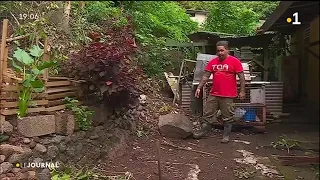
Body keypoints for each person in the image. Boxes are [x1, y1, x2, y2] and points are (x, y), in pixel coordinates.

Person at [193, 41, 245, 143]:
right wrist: (199, 87)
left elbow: (241, 77)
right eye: (218, 51)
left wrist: (242, 91)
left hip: (228, 95)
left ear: (227, 50)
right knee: (207, 113)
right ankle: (202, 132)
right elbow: (205, 76)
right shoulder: (213, 62)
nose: (220, 53)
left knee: (227, 116)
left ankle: (226, 136)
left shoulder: (234, 61)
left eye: (222, 50)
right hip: (214, 93)